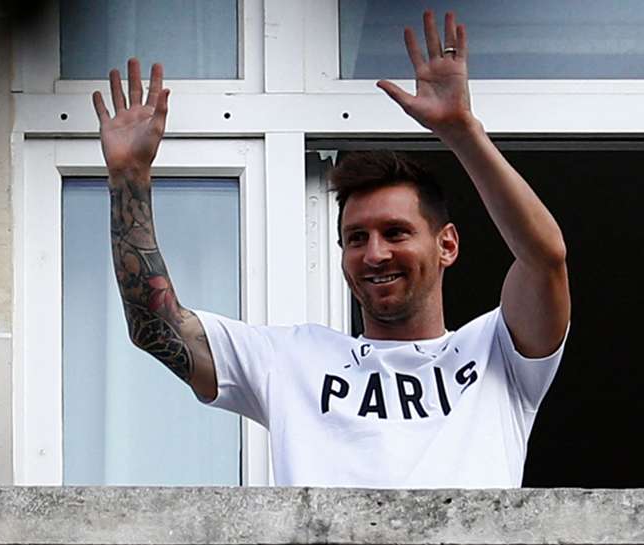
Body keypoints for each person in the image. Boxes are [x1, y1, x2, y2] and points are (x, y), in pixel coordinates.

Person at [92, 11, 570, 488]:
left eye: (396, 233)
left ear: (447, 244)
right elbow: (156, 326)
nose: (375, 254)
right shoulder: (293, 359)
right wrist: (129, 178)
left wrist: (463, 134)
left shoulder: (495, 352)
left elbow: (544, 257)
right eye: (356, 238)